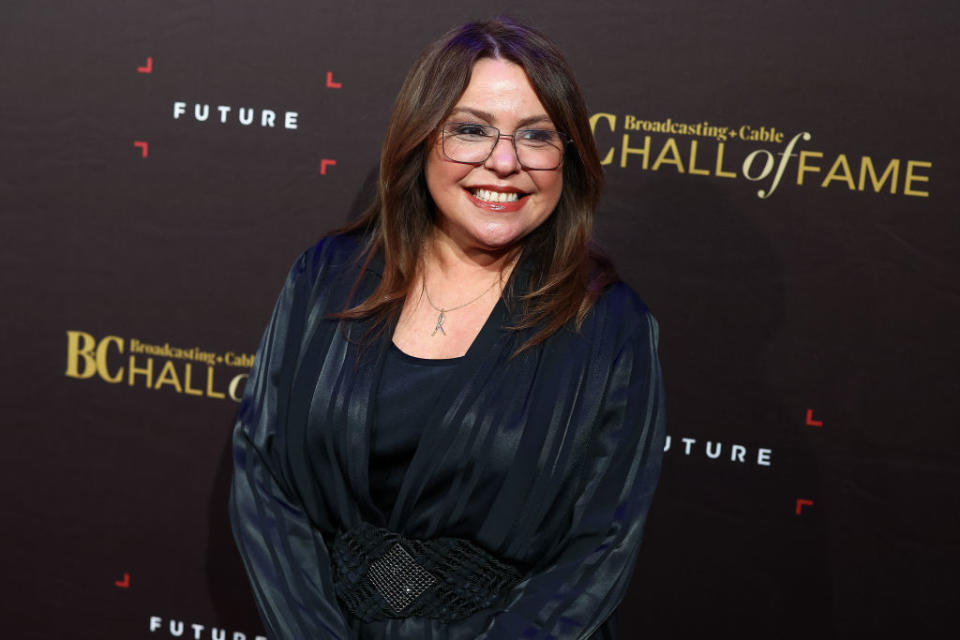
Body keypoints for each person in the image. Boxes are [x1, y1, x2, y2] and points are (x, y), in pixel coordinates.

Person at [229, 17, 665, 640]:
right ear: (421, 139)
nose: (504, 162)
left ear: (567, 157)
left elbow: (600, 546)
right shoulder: (326, 278)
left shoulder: (610, 327)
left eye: (536, 136)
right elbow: (264, 480)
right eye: (471, 130)